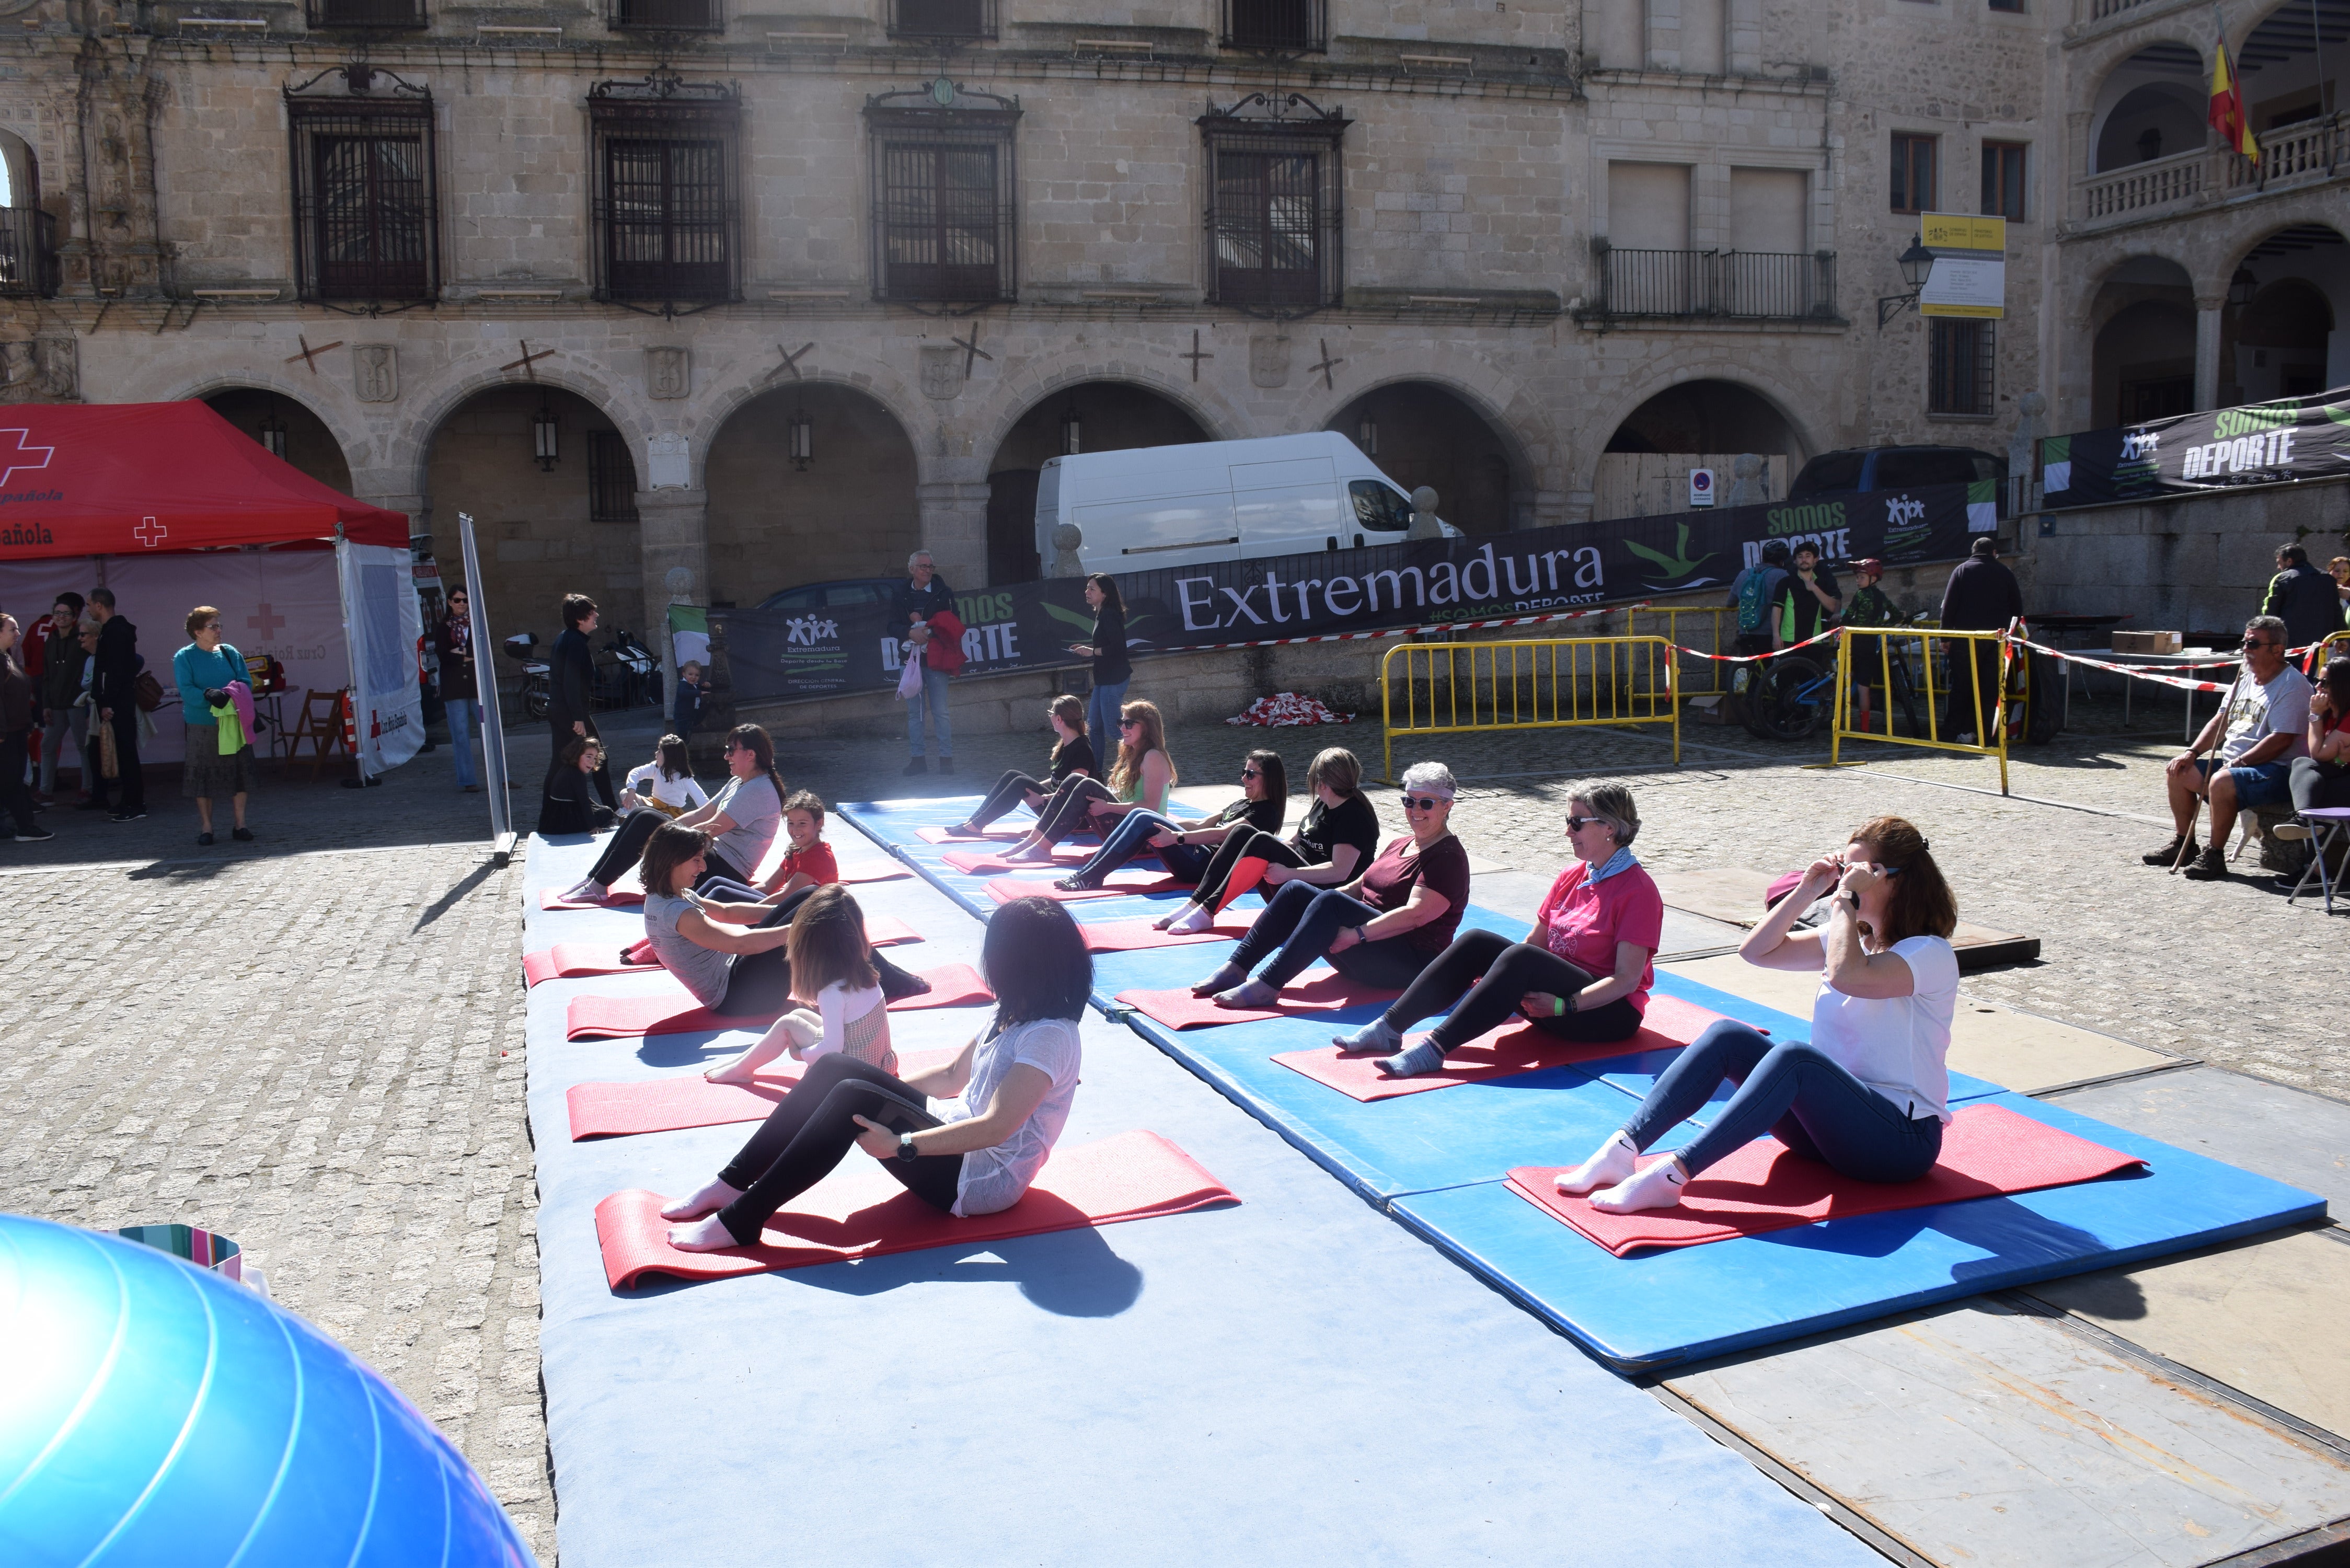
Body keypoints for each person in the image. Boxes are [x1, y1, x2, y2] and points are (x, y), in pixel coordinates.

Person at [1550, 815, 1960, 1215]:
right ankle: (1622, 1150)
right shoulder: (1850, 938)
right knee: (1728, 1036)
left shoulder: (1929, 954)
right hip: (1827, 1132)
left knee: (1795, 1058)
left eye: (1859, 870)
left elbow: (1848, 975)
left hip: (1898, 1144)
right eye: (1845, 868)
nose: (1848, 878)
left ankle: (1670, 1178)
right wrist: (1809, 888)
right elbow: (1758, 952)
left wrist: (1844, 902)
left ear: (1895, 877)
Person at [659, 894, 1091, 1253]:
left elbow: (997, 1128)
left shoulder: (1049, 1037)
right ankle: (732, 1181)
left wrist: (903, 1144)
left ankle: (743, 1220)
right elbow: (953, 1075)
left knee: (851, 1096)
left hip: (981, 1179)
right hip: (955, 1133)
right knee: (837, 1068)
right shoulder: (1014, 1011)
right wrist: (879, 1092)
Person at [1337, 785, 1661, 1077]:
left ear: (1609, 828)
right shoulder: (1572, 875)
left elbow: (1626, 980)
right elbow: (1536, 942)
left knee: (1521, 957)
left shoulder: (1638, 891)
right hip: (1554, 998)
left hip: (1606, 1013)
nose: (1567, 831)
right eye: (1568, 820)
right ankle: (1388, 1027)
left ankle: (1435, 1049)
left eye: (1577, 823)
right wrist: (1497, 976)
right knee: (1478, 941)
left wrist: (1564, 1006)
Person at [1190, 760, 1471, 1008]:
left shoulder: (1447, 857)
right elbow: (1359, 885)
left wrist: (1356, 934)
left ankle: (1268, 985)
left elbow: (1415, 915)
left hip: (1408, 964)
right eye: (1409, 801)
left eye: (1426, 803)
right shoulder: (1402, 843)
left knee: (1328, 901)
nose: (1415, 810)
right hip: (1366, 951)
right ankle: (1236, 967)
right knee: (1297, 890)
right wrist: (1313, 908)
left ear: (1447, 806)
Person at [2145, 615, 2312, 881]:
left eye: (2254, 644)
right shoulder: (2245, 677)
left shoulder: (2292, 685)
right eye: (2244, 642)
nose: (2246, 649)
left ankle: (2215, 855)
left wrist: (2239, 763)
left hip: (2277, 769)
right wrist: (2193, 753)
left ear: (2277, 650)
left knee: (2222, 781)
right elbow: (2221, 721)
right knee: (2179, 770)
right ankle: (2184, 844)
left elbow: (2282, 739)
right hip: (2237, 766)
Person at [1156, 746, 1383, 933]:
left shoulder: (1353, 817)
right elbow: (1295, 842)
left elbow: (1339, 872)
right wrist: (1258, 853)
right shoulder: (1324, 802)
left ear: (1322, 783)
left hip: (1319, 896)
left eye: (1311, 778)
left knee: (1258, 839)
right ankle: (1195, 905)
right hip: (1292, 878)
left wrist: (1289, 873)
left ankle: (1206, 912)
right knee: (1246, 836)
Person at [561, 722, 784, 901]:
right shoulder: (740, 781)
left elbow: (712, 828)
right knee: (641, 815)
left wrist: (664, 835)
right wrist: (668, 829)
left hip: (725, 871)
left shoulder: (759, 789)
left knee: (648, 820)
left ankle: (598, 885)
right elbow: (700, 814)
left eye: (731, 750)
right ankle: (595, 880)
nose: (726, 756)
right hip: (712, 855)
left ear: (751, 755)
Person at [701, 884, 900, 1085]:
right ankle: (741, 1063)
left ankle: (742, 1069)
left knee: (788, 1024)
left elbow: (832, 1048)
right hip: (877, 1065)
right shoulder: (864, 976)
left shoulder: (832, 992)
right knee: (799, 1016)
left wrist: (801, 1054)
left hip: (856, 1074)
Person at [1053, 749, 1285, 893]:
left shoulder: (1266, 812)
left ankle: (1091, 877)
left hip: (1206, 867)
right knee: (1141, 816)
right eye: (1244, 772)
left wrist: (1176, 837)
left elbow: (1222, 834)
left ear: (1269, 779)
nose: (1244, 778)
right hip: (1197, 855)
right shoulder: (1243, 803)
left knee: (1143, 818)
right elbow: (1203, 824)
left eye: (1251, 774)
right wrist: (1163, 824)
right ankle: (1088, 873)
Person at [1001, 698, 1176, 861]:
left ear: (1147, 728)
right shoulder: (1135, 754)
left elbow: (1150, 806)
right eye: (1121, 723)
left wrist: (1107, 806)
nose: (1123, 728)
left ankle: (1041, 847)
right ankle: (1035, 841)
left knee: (1083, 783)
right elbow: (1128, 796)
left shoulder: (1153, 757)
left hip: (1146, 839)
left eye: (1129, 724)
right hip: (1128, 831)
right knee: (1076, 781)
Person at [949, 695, 1098, 837]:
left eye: (1051, 713)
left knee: (1020, 783)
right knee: (1014, 776)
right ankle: (974, 821)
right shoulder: (1066, 744)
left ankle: (976, 826)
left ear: (1059, 719)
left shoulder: (1081, 750)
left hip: (1074, 817)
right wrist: (1031, 787)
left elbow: (1075, 791)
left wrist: (1043, 799)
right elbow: (1058, 780)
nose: (1050, 717)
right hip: (1059, 806)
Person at [172, 606, 256, 847]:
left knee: (240, 775)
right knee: (203, 778)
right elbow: (187, 690)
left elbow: (246, 682)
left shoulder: (230, 653)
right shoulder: (184, 657)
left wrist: (231, 694)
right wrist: (208, 695)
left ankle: (241, 824)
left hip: (234, 722)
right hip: (203, 725)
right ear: (198, 632)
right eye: (213, 626)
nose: (219, 630)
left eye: (219, 625)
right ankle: (207, 828)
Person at [1936, 536, 2024, 742]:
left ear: (1973, 552)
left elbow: (1949, 607)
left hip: (1966, 638)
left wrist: (1945, 637)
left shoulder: (1962, 570)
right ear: (1994, 552)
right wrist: (2010, 634)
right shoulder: (2005, 572)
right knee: (1990, 687)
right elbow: (2017, 609)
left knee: (1962, 686)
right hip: (1997, 639)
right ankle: (1988, 734)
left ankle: (1951, 732)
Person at [2272, 656, 2350, 887]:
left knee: (2306, 768)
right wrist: (2337, 756)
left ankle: (2314, 868)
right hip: (2340, 777)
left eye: (2324, 683)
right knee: (2304, 770)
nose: (2317, 687)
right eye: (2317, 680)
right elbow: (2326, 756)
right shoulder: (2332, 715)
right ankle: (2305, 824)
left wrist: (2314, 715)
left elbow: (2317, 753)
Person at [895, 550, 956, 776]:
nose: (928, 570)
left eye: (931, 566)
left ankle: (946, 760)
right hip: (910, 661)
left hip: (936, 660)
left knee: (941, 712)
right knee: (915, 714)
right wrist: (910, 633)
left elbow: (955, 623)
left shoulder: (943, 593)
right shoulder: (900, 594)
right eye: (923, 567)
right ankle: (918, 760)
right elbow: (891, 625)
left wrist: (928, 632)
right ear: (912, 569)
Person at [87, 587, 145, 822]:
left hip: (120, 702)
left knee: (127, 753)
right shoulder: (111, 631)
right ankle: (128, 800)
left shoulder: (116, 631)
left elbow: (117, 671)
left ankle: (136, 803)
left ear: (99, 605)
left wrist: (108, 702)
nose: (88, 609)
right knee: (123, 753)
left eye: (89, 604)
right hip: (117, 700)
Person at [548, 593, 610, 799]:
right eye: (591, 613)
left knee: (559, 761)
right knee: (599, 756)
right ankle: (611, 806)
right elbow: (571, 682)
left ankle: (549, 809)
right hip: (570, 710)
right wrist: (578, 717)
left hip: (560, 708)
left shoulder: (566, 638)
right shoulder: (574, 642)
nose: (596, 615)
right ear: (580, 618)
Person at [1067, 573, 1133, 755]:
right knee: (1094, 727)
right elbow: (1106, 644)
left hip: (1114, 680)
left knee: (1114, 730)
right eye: (1087, 588)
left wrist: (1092, 652)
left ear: (1104, 594)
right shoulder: (1102, 614)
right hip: (1104, 680)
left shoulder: (1109, 615)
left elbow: (1118, 648)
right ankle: (1095, 775)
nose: (1086, 591)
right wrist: (1085, 648)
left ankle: (1140, 762)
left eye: (1092, 589)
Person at [1, 614, 49, 842]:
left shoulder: (7, 658)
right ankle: (25, 827)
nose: (18, 634)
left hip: (16, 730)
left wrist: (28, 723)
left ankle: (22, 826)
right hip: (6, 733)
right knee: (12, 781)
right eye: (13, 630)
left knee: (12, 780)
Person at [32, 594, 83, 804]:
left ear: (74, 616)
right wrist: (46, 704)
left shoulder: (82, 638)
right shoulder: (51, 640)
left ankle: (87, 788)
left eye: (66, 614)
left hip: (78, 703)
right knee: (47, 745)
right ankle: (45, 791)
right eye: (58, 613)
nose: (61, 617)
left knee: (84, 746)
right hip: (56, 704)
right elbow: (46, 675)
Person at [435, 585, 483, 793]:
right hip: (454, 689)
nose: (461, 604)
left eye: (465, 600)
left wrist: (460, 652)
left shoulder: (477, 625)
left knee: (488, 733)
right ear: (449, 602)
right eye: (457, 600)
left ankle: (502, 777)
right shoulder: (443, 627)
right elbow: (443, 655)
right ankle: (467, 779)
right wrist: (465, 655)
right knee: (461, 735)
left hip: (476, 687)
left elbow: (482, 651)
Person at [2261, 544, 2343, 653]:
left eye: (2279, 563)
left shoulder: (2282, 578)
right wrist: (2342, 637)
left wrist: (2263, 638)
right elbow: (2337, 611)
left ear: (2289, 561)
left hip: (2291, 643)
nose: (2278, 567)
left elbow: (2270, 612)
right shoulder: (2328, 579)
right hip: (2321, 643)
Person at [757, 791, 838, 899]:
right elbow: (768, 886)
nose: (795, 830)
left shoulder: (819, 857)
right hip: (789, 909)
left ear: (819, 824)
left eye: (802, 823)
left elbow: (785, 897)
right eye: (791, 823)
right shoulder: (795, 850)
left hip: (804, 914)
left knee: (730, 907)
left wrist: (739, 912)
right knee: (726, 888)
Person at [539, 736, 619, 836]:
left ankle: (615, 818)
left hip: (554, 817)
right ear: (577, 756)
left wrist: (599, 808)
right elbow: (584, 802)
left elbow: (586, 799)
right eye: (588, 757)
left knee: (604, 810)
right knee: (606, 813)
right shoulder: (577, 775)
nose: (592, 761)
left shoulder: (567, 769)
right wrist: (593, 826)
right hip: (563, 819)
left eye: (595, 758)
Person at [621, 734, 709, 820]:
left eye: (659, 751)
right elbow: (636, 772)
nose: (656, 753)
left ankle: (642, 820)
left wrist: (711, 815)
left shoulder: (685, 779)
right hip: (653, 805)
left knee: (667, 821)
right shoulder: (656, 767)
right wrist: (632, 790)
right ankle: (634, 818)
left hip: (670, 814)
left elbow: (702, 799)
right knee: (625, 793)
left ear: (669, 757)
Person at [1727, 540, 1791, 658]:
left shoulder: (1744, 574)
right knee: (1770, 672)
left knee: (1750, 671)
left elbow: (1730, 603)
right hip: (1770, 634)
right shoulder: (1782, 575)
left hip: (1745, 632)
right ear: (1783, 560)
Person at [1776, 542, 1841, 647]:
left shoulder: (1822, 580)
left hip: (1814, 639)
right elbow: (1776, 610)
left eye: (1808, 556)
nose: (1804, 560)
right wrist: (1776, 636)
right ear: (1795, 561)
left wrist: (1814, 588)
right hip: (1789, 639)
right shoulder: (1785, 582)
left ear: (1816, 559)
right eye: (1800, 556)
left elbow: (1834, 604)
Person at [672, 660, 707, 737]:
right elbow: (684, 693)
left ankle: (695, 728)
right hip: (682, 716)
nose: (693, 677)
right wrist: (699, 693)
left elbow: (701, 688)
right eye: (690, 674)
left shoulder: (696, 685)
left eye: (697, 675)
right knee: (682, 733)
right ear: (684, 674)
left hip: (692, 714)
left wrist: (706, 686)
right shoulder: (683, 684)